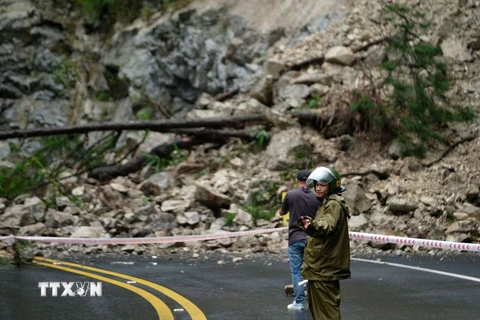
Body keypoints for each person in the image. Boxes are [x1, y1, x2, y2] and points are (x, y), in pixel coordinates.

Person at [298, 166, 352, 320]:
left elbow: (327, 225)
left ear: (332, 185)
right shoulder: (326, 203)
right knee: (318, 311)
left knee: (327, 313)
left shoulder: (333, 204)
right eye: (317, 184)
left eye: (322, 184)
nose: (318, 188)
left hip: (325, 268)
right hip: (320, 268)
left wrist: (313, 225)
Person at [277, 169, 323, 310]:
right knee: (313, 270)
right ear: (311, 182)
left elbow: (281, 212)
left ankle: (299, 302)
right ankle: (315, 302)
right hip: (312, 239)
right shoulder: (317, 197)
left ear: (297, 181)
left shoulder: (290, 195)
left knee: (297, 271)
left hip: (295, 238)